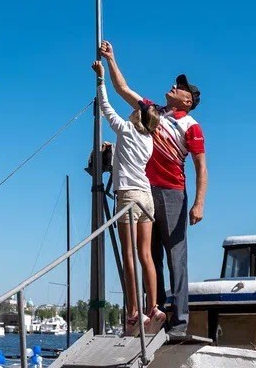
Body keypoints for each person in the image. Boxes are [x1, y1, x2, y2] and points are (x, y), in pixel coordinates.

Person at [99, 40, 206, 337]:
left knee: (175, 256)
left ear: (187, 101)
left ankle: (180, 322)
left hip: (172, 192)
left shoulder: (192, 126)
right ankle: (153, 313)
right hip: (145, 188)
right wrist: (111, 59)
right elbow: (123, 90)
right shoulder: (152, 114)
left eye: (181, 87)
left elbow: (201, 165)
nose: (174, 86)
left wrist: (199, 202)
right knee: (152, 256)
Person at [92, 58, 167, 335]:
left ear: (137, 116)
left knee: (128, 254)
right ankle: (154, 306)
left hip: (128, 196)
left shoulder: (125, 130)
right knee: (146, 254)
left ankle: (134, 312)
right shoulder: (149, 140)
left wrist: (100, 78)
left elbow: (105, 106)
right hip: (146, 196)